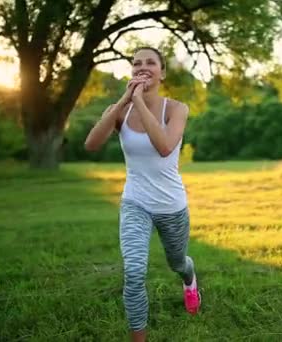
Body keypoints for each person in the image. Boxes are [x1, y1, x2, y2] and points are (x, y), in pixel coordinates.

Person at [84, 47, 200, 342]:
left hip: (171, 205)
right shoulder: (120, 109)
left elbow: (164, 147)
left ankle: (189, 278)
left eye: (151, 63)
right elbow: (91, 145)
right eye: (136, 63)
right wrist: (124, 101)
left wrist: (139, 101)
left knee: (177, 262)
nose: (143, 67)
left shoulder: (176, 109)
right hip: (135, 202)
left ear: (162, 73)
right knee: (134, 273)